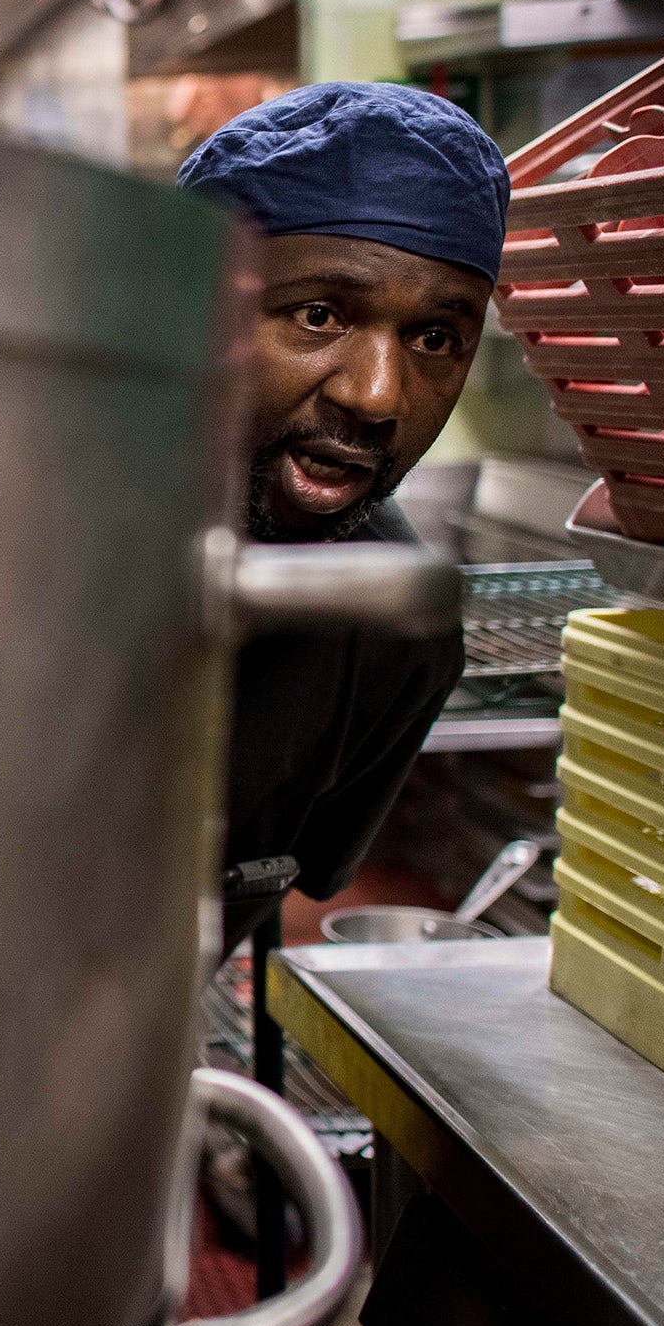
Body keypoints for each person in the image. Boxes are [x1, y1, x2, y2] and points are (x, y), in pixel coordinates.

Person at [177, 83, 512, 952]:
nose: (376, 394)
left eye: (435, 338)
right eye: (319, 315)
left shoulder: (395, 635)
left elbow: (282, 891)